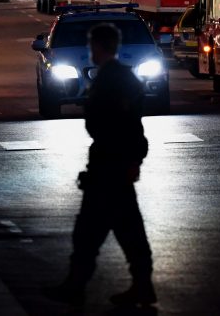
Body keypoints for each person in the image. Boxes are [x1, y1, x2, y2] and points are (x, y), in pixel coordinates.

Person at [44, 23, 156, 308]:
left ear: (100, 46)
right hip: (113, 165)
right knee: (126, 232)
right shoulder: (118, 77)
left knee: (91, 234)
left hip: (109, 166)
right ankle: (139, 286)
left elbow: (125, 125)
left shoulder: (112, 80)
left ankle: (77, 287)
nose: (89, 51)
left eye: (92, 45)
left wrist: (131, 159)